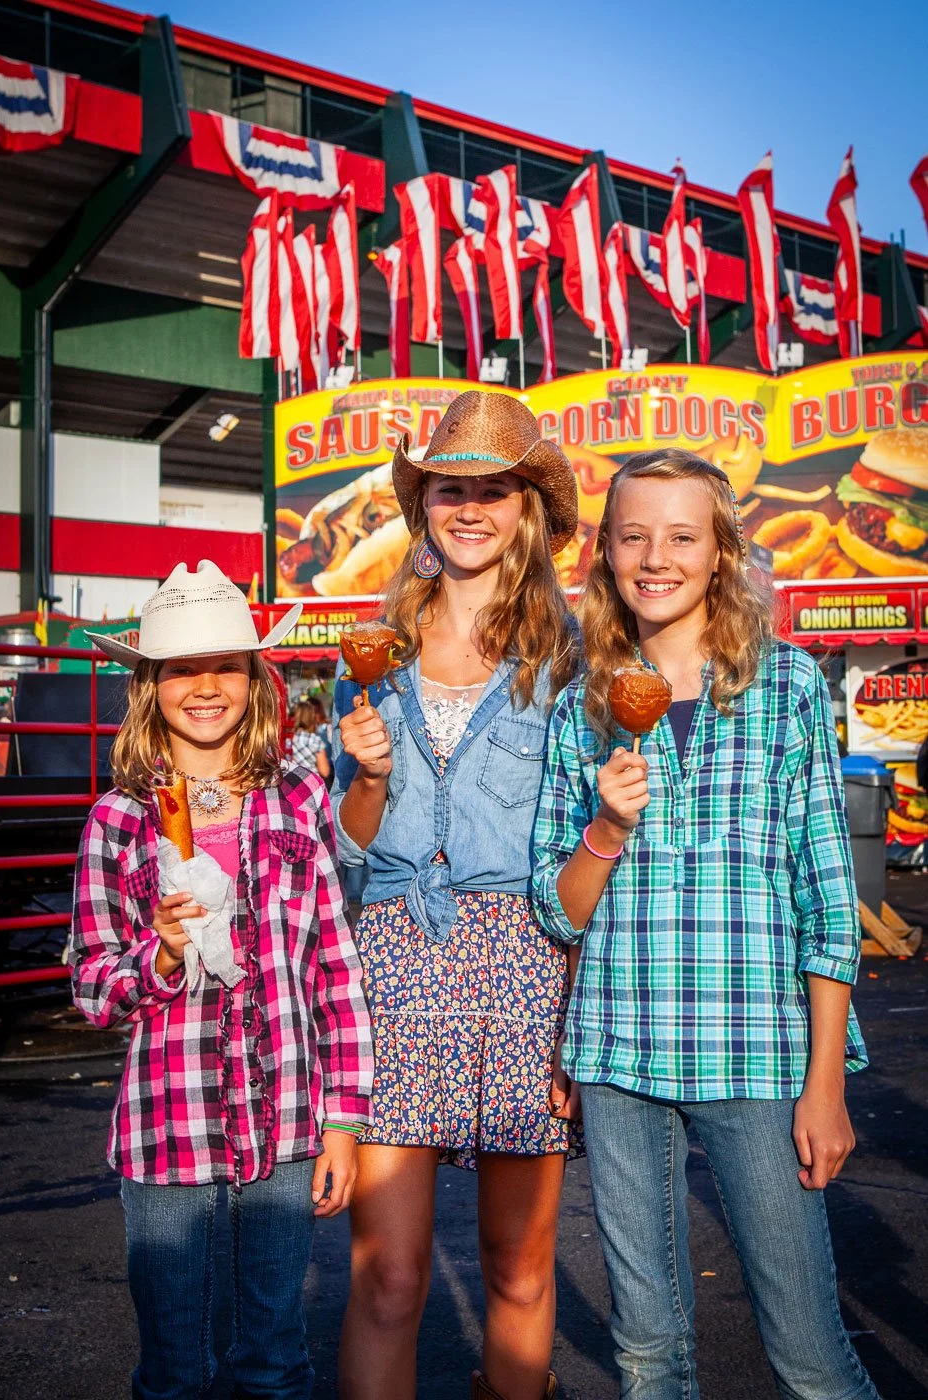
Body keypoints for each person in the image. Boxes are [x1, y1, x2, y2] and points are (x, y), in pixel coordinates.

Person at [532, 451, 879, 1400]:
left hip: (756, 1057)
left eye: (682, 537)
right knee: (648, 1355)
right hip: (617, 1062)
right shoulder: (583, 706)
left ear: (720, 555)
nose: (655, 557)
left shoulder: (788, 688)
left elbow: (822, 892)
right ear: (603, 554)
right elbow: (553, 910)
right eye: (632, 536)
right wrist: (605, 827)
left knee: (808, 1354)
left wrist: (825, 1086)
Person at [69, 559, 373, 1400]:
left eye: (224, 667)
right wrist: (158, 956)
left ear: (255, 679)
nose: (205, 688)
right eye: (181, 670)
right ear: (150, 686)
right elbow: (94, 986)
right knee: (172, 1367)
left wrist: (343, 1121)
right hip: (168, 1125)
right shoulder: (118, 822)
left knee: (274, 1359)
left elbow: (334, 969)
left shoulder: (298, 802)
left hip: (283, 1122)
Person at [332, 391, 582, 1400]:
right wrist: (365, 776)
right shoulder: (372, 657)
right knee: (387, 1276)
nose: (468, 508)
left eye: (492, 489)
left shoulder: (571, 660)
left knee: (519, 1266)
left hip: (529, 966)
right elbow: (345, 854)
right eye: (450, 488)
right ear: (423, 506)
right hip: (393, 964)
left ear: (527, 508)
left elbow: (588, 845)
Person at [291, 695, 333, 783]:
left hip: (292, 782)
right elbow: (325, 772)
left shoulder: (289, 738)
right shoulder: (315, 740)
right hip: (312, 784)